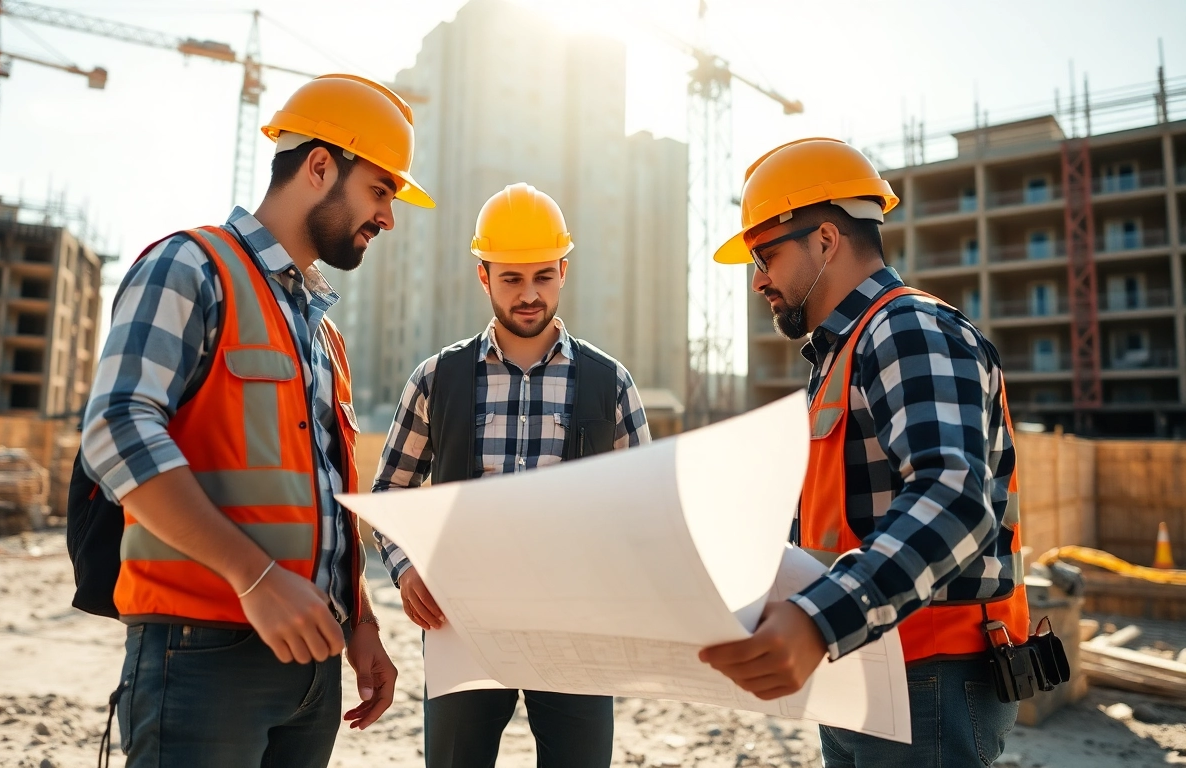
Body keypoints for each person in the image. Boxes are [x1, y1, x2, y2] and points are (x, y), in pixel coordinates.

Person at [79, 74, 435, 767]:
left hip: (312, 663)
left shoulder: (323, 335)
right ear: (320, 166)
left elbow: (321, 493)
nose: (388, 217)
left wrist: (359, 620)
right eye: (380, 190)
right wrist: (256, 577)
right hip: (201, 655)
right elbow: (116, 430)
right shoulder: (190, 266)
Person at [698, 138, 1029, 767]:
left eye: (766, 255)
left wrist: (817, 621)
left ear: (826, 241)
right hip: (863, 661)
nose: (758, 280)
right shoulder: (842, 353)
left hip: (927, 676)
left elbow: (953, 499)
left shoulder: (907, 329)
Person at [371, 183, 652, 768]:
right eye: (511, 279)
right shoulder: (436, 379)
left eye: (543, 276)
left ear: (563, 271)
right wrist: (406, 569)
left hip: (578, 634)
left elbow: (644, 508)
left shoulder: (610, 382)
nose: (529, 295)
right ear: (484, 277)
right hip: (461, 627)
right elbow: (390, 492)